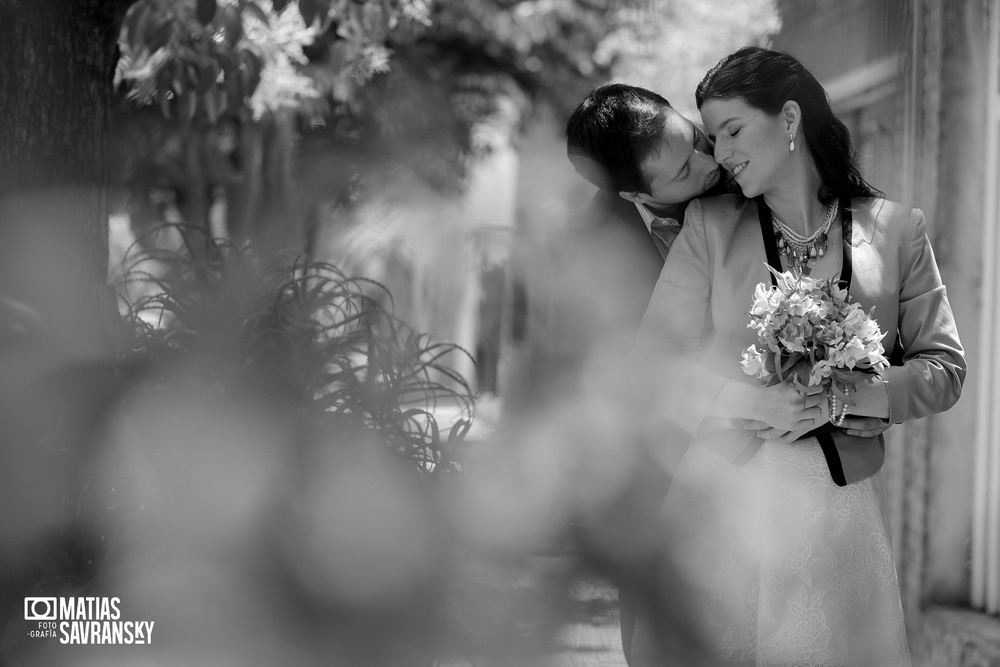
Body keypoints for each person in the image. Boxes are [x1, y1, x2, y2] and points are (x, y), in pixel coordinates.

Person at [630, 46, 966, 665]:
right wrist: (755, 402)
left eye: (732, 130)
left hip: (838, 522)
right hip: (719, 510)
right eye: (711, 136)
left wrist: (841, 396)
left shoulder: (896, 231)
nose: (721, 153)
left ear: (788, 120)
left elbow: (944, 370)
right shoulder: (708, 224)